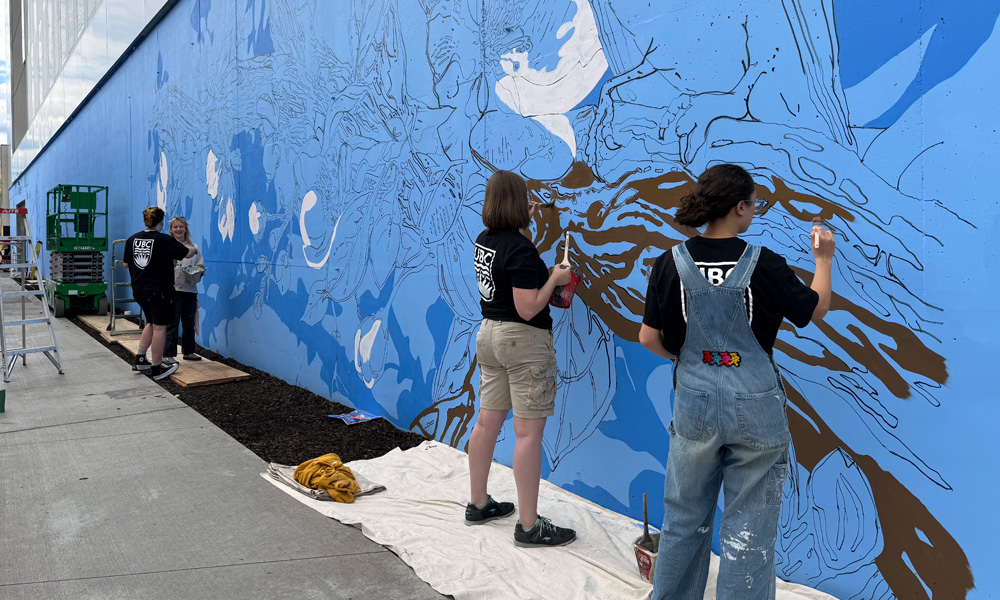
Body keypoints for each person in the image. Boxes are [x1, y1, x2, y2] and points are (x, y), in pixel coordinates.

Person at [638, 164, 835, 599]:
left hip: (694, 405)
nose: (754, 213)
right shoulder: (763, 264)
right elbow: (815, 308)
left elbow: (649, 337)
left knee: (684, 520)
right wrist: (824, 259)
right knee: (749, 534)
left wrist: (695, 362)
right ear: (741, 207)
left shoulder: (668, 264)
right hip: (756, 407)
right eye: (755, 205)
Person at [466, 169, 577, 547]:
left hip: (490, 336)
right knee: (528, 434)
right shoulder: (522, 250)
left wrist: (524, 226)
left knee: (486, 424)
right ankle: (529, 526)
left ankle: (478, 503)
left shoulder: (487, 240)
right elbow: (528, 307)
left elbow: (510, 262)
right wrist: (555, 280)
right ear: (518, 204)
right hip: (523, 340)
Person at [123, 206, 198, 381]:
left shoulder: (132, 239)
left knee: (151, 323)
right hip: (160, 291)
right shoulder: (164, 240)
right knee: (160, 327)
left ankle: (141, 358)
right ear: (162, 222)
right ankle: (157, 368)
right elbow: (187, 253)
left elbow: (127, 264)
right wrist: (194, 249)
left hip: (139, 289)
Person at [162, 217, 205, 365]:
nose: (179, 229)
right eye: (175, 227)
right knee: (172, 323)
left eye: (181, 227)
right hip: (172, 289)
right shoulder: (166, 246)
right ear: (171, 229)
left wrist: (199, 272)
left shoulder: (194, 247)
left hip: (190, 289)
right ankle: (168, 354)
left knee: (189, 322)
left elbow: (200, 266)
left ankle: (189, 351)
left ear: (186, 229)